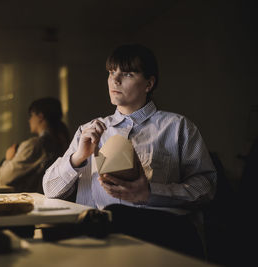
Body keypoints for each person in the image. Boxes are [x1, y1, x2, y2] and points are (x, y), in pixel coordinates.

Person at [42, 44, 217, 258]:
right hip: (98, 244)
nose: (114, 80)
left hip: (159, 242)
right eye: (111, 73)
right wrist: (78, 157)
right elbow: (50, 189)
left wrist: (151, 193)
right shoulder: (87, 131)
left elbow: (206, 188)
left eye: (126, 74)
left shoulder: (178, 127)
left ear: (149, 84)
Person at [0, 97, 70, 193]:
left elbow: (3, 178)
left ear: (40, 116)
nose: (29, 120)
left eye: (31, 115)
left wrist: (8, 159)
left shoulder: (35, 145)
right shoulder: (64, 142)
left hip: (33, 203)